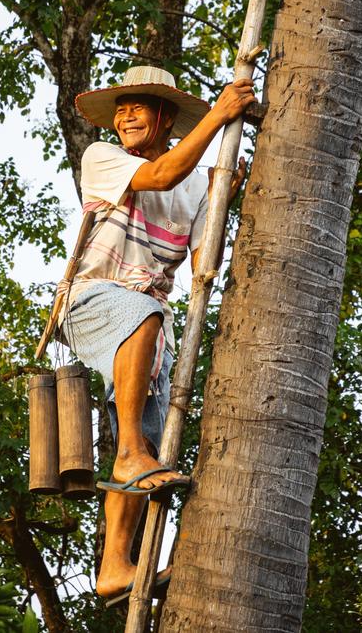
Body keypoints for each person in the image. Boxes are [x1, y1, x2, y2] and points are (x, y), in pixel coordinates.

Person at [58, 64, 256, 604]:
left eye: (137, 106)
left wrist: (219, 204)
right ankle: (124, 453)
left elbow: (201, 264)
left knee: (150, 440)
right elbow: (162, 174)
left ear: (165, 116)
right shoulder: (103, 158)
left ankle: (115, 568)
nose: (124, 116)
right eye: (120, 108)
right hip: (92, 298)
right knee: (142, 313)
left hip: (149, 321)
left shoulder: (193, 185)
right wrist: (220, 113)